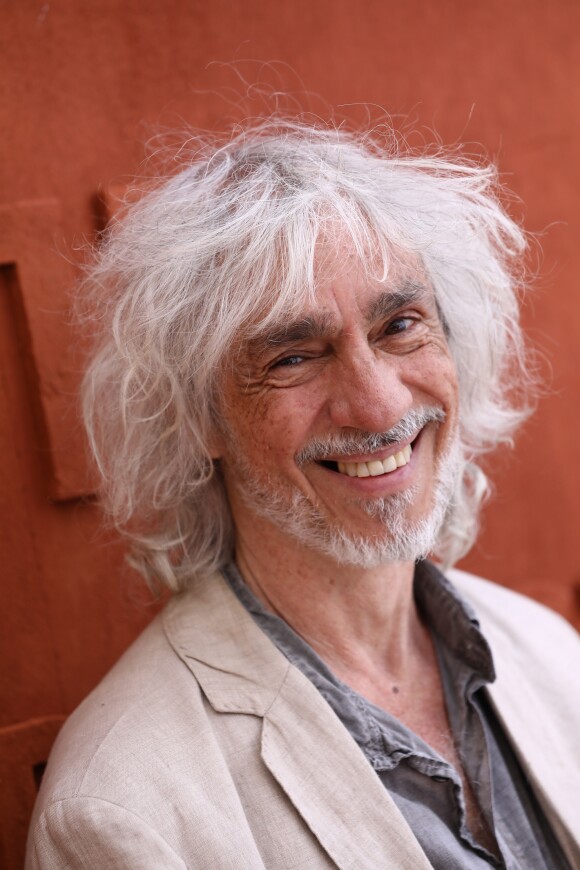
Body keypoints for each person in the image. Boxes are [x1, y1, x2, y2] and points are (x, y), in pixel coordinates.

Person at [27, 119, 579, 869]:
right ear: (200, 420)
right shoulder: (122, 813)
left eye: (401, 325)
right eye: (293, 356)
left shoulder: (548, 651)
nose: (379, 406)